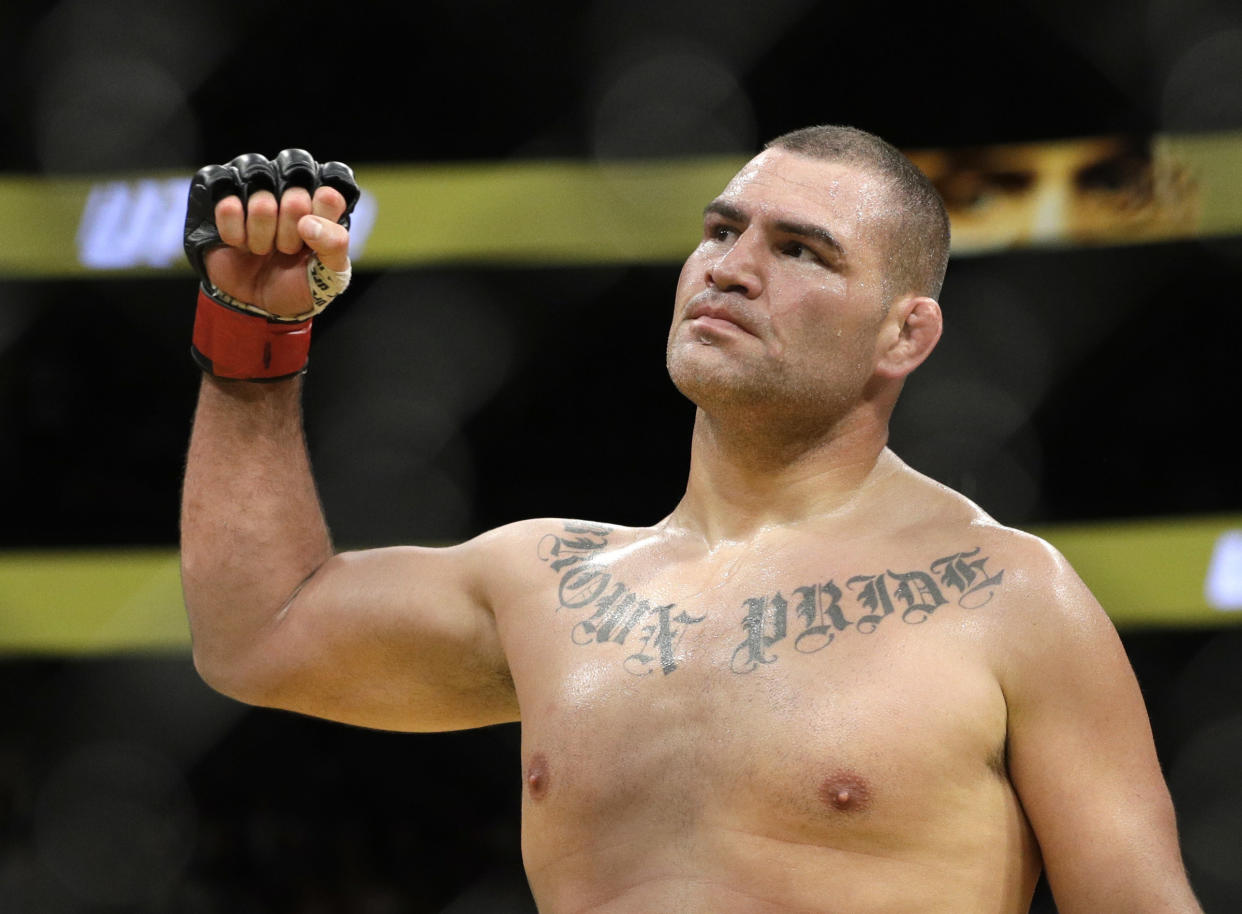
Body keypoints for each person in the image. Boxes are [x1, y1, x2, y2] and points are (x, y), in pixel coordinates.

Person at [179, 127, 1203, 913]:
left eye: (802, 250)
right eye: (722, 230)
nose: (732, 266)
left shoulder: (1007, 597)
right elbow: (259, 634)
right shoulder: (549, 582)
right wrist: (254, 336)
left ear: (905, 332)